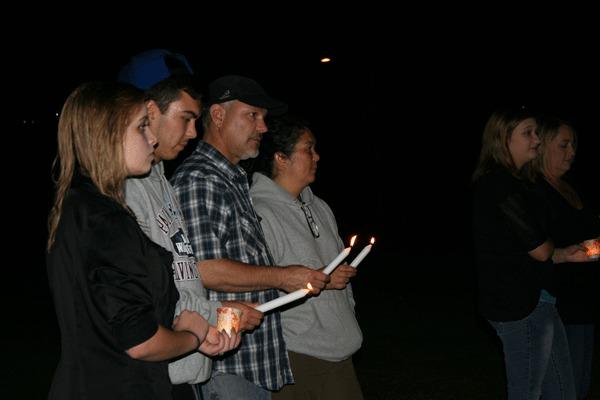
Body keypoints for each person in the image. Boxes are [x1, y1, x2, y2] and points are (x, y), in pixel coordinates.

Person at [46, 81, 218, 400]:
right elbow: (141, 341)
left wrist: (182, 329)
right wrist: (192, 335)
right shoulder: (106, 220)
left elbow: (111, 315)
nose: (152, 138)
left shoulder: (78, 207)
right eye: (141, 127)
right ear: (108, 133)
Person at [171, 75, 330, 399]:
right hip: (226, 364)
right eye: (252, 116)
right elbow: (204, 268)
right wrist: (284, 277)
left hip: (249, 360)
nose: (263, 128)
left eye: (264, 118)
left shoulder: (231, 180)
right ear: (217, 116)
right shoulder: (201, 179)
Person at [118, 50, 243, 400]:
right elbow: (140, 300)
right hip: (153, 380)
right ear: (148, 111)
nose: (193, 131)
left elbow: (180, 276)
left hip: (185, 374)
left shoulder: (163, 182)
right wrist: (198, 330)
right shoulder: (122, 191)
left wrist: (213, 318)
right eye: (186, 118)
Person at [471, 106, 590, 400]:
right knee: (527, 392)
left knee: (562, 392)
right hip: (517, 304)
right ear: (503, 138)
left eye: (536, 132)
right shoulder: (498, 184)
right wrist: (550, 248)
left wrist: (564, 253)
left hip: (541, 299)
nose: (537, 139)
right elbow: (538, 249)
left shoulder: (521, 183)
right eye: (529, 133)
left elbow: (536, 249)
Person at [247, 115, 363, 399]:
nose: (317, 156)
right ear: (281, 158)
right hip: (301, 356)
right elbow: (256, 285)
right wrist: (319, 277)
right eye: (307, 149)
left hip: (341, 351)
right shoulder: (259, 212)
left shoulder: (319, 206)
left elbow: (338, 275)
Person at [529, 116, 600, 400]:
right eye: (564, 144)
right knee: (559, 389)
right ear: (543, 144)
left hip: (585, 304)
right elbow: (537, 247)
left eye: (574, 145)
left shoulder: (571, 186)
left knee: (580, 386)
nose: (572, 152)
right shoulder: (534, 191)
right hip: (557, 304)